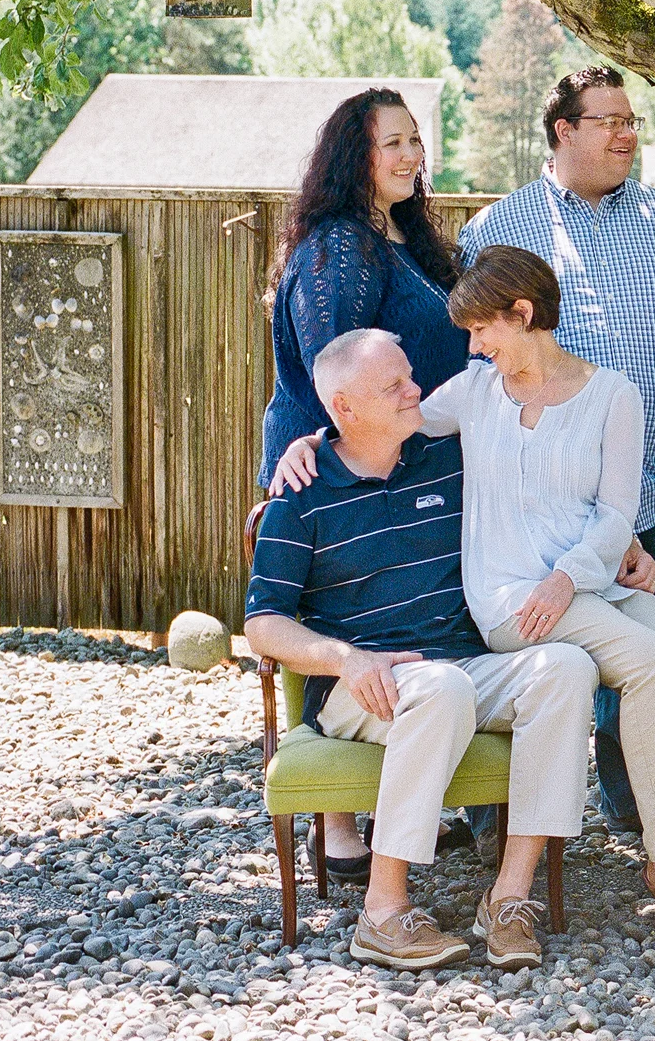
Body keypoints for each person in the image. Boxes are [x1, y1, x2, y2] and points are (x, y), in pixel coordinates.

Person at [270, 254, 655, 946]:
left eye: (484, 329)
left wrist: (576, 572)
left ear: (523, 314)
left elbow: (615, 513)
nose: (475, 346)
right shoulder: (475, 392)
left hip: (587, 584)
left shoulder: (614, 396)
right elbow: (375, 420)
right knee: (654, 667)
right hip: (513, 598)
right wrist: (307, 441)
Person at [245, 330, 595, 972]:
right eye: (395, 385)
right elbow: (263, 625)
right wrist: (346, 660)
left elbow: (547, 489)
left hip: (462, 662)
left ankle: (509, 897)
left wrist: (623, 543)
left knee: (567, 668)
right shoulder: (301, 493)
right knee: (441, 687)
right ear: (345, 407)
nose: (416, 391)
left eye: (410, 376)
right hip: (360, 685)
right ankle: (382, 912)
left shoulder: (449, 459)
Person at [459, 66, 655, 832]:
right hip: (542, 504)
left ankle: (638, 809)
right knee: (537, 651)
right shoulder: (497, 229)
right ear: (563, 130)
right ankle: (501, 817)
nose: (627, 134)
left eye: (632, 120)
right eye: (610, 121)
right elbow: (478, 365)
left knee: (642, 655)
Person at [259, 87, 470, 884]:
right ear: (355, 156)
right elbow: (334, 364)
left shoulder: (404, 238)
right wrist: (323, 446)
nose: (410, 156)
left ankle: (389, 802)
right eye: (392, 143)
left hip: (394, 458)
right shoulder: (340, 247)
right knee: (337, 613)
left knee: (396, 615)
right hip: (328, 459)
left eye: (415, 141)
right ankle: (338, 828)